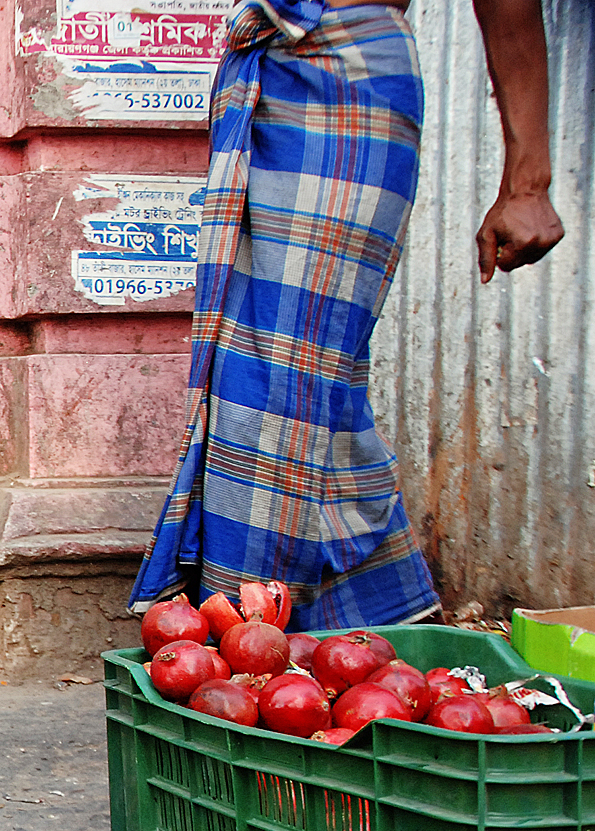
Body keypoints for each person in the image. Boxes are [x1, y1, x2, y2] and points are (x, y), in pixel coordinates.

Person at [128, 0, 563, 631]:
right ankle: (355, 641)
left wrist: (529, 181)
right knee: (251, 374)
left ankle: (249, 637)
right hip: (262, 74)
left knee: (289, 381)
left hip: (344, 74)